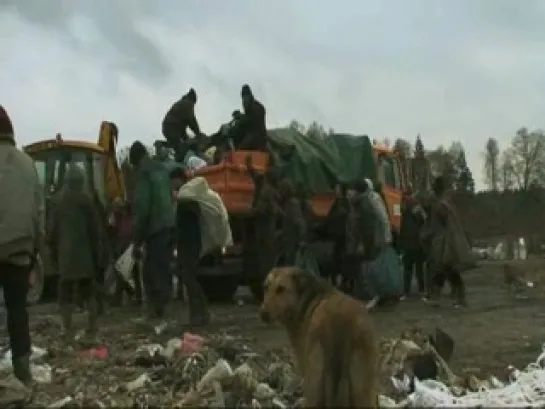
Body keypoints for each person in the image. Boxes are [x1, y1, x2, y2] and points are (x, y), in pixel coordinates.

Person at [0, 105, 43, 385]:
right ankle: (23, 370)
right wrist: (35, 251)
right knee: (17, 311)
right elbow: (39, 212)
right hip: (19, 251)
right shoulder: (28, 164)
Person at [49, 165, 101, 339]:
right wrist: (97, 255)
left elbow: (53, 232)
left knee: (65, 294)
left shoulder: (58, 202)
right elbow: (95, 231)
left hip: (66, 255)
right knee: (89, 292)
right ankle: (92, 327)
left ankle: (67, 327)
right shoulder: (87, 201)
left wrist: (54, 254)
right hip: (85, 255)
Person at [129, 141, 176, 321]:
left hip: (155, 227)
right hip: (169, 224)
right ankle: (164, 311)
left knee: (151, 272)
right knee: (164, 267)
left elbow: (143, 207)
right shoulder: (162, 169)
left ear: (135, 159)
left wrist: (137, 239)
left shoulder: (144, 173)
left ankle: (156, 313)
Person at [421, 176, 472, 308]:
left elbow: (440, 224)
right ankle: (439, 297)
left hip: (446, 242)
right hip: (446, 241)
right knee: (445, 269)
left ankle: (457, 298)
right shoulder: (445, 204)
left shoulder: (441, 205)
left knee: (447, 269)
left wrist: (427, 235)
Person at [246, 155, 281, 288]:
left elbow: (261, 209)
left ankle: (267, 287)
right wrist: (250, 167)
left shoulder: (267, 191)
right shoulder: (269, 188)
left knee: (266, 261)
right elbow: (256, 176)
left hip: (265, 230)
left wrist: (249, 212)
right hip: (266, 228)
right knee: (267, 258)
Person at [176, 193, 210, 326]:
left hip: (188, 247)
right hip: (189, 247)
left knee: (189, 279)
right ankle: (198, 314)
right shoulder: (190, 205)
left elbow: (183, 230)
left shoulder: (186, 205)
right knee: (188, 279)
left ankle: (200, 313)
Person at [162, 88, 205, 162]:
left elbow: (183, 126)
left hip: (170, 128)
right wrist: (198, 134)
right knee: (180, 149)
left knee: (182, 145)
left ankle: (177, 159)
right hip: (171, 129)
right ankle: (179, 165)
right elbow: (192, 121)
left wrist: (187, 139)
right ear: (193, 100)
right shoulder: (187, 104)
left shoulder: (182, 103)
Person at [399, 186, 427, 299]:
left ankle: (418, 290)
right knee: (409, 268)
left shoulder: (414, 207)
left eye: (408, 194)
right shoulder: (402, 207)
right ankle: (409, 291)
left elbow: (423, 220)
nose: (407, 197)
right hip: (410, 242)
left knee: (415, 268)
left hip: (415, 241)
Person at [277, 179, 306, 266]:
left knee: (291, 264)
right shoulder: (288, 203)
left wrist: (301, 239)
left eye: (281, 190)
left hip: (292, 241)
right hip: (288, 241)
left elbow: (299, 222)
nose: (280, 192)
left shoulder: (293, 204)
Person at [237, 84, 268, 151]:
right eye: (243, 98)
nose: (244, 101)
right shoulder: (250, 108)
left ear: (249, 96)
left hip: (258, 137)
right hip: (252, 135)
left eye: (245, 97)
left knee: (241, 149)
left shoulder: (257, 107)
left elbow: (251, 121)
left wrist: (240, 118)